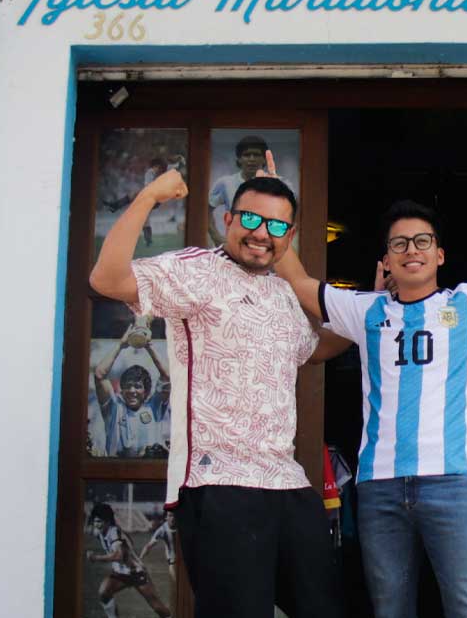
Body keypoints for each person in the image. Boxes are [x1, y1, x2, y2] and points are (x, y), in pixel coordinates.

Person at [275, 124, 467, 618]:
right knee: (390, 610)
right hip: (380, 486)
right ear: (386, 259)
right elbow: (298, 280)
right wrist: (277, 213)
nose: (411, 250)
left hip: (453, 483)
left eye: (422, 241)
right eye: (399, 244)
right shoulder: (365, 310)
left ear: (440, 254)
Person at [88, 167, 347, 618]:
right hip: (220, 483)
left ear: (290, 236)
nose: (262, 234)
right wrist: (149, 196)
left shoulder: (283, 295)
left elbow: (314, 348)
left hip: (287, 482)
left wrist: (378, 311)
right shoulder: (195, 271)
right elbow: (106, 280)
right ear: (227, 219)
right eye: (251, 220)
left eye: (277, 225)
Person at [92, 321, 171, 458]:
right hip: (116, 474)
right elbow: (99, 374)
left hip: (147, 475)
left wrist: (148, 345)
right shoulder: (114, 408)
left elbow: (167, 375)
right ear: (121, 390)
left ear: (146, 391)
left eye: (138, 386)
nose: (132, 390)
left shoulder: (153, 407)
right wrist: (120, 345)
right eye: (128, 386)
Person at [85, 502, 172, 618]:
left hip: (136, 572)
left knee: (158, 607)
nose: (97, 525)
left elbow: (119, 556)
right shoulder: (100, 531)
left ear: (108, 522)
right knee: (104, 592)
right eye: (95, 521)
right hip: (120, 573)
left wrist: (96, 557)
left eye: (100, 522)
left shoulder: (113, 532)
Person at [208, 135, 272, 245]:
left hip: (262, 244)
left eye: (256, 155)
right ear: (239, 159)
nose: (251, 159)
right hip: (233, 245)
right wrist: (216, 237)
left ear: (264, 159)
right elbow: (205, 211)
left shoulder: (275, 184)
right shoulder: (225, 183)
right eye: (247, 155)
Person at [140, 510, 179, 583]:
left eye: (174, 515)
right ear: (166, 518)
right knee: (175, 577)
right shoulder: (162, 530)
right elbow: (149, 546)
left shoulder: (183, 524)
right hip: (172, 558)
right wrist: (141, 558)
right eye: (170, 515)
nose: (173, 518)